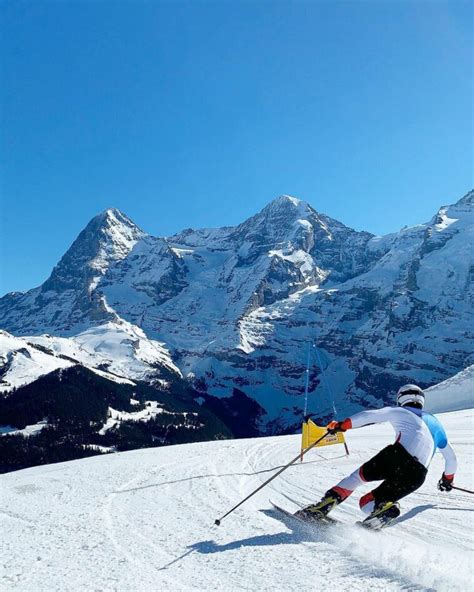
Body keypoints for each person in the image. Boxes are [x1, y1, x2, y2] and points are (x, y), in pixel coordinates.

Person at [296, 384, 458, 527]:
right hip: (417, 475)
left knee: (357, 478)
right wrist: (447, 480)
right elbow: (451, 459)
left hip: (397, 457)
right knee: (367, 502)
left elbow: (369, 416)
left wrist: (341, 426)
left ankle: (322, 507)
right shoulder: (438, 426)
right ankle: (385, 509)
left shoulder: (400, 410)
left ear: (401, 398)